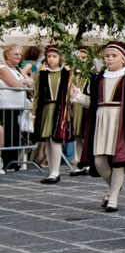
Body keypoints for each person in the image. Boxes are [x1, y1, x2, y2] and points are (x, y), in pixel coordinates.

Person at [71, 41, 125, 211]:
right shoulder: (98, 78)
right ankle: (114, 187)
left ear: (123, 58)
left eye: (114, 56)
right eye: (107, 56)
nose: (109, 59)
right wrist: (78, 96)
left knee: (119, 160)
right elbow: (93, 103)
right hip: (101, 121)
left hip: (121, 121)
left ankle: (113, 198)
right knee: (99, 161)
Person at [33, 45, 74, 184]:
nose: (51, 59)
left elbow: (69, 93)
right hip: (46, 108)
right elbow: (38, 94)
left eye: (54, 56)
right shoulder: (43, 74)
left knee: (56, 139)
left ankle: (55, 172)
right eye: (49, 56)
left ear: (60, 58)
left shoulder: (66, 73)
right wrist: (35, 112)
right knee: (48, 140)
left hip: (59, 108)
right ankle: (52, 170)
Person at [1, 45, 35, 174]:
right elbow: (15, 84)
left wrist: (24, 82)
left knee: (15, 133)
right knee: (8, 134)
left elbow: (31, 82)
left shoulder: (17, 69)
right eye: (16, 54)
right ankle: (7, 161)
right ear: (7, 55)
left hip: (17, 107)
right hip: (6, 107)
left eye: (20, 55)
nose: (19, 57)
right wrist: (24, 82)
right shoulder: (3, 68)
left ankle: (14, 161)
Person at [68, 46, 92, 176]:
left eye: (84, 58)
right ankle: (80, 163)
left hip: (85, 107)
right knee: (77, 137)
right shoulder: (73, 75)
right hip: (74, 107)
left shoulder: (90, 75)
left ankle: (88, 162)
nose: (81, 60)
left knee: (84, 136)